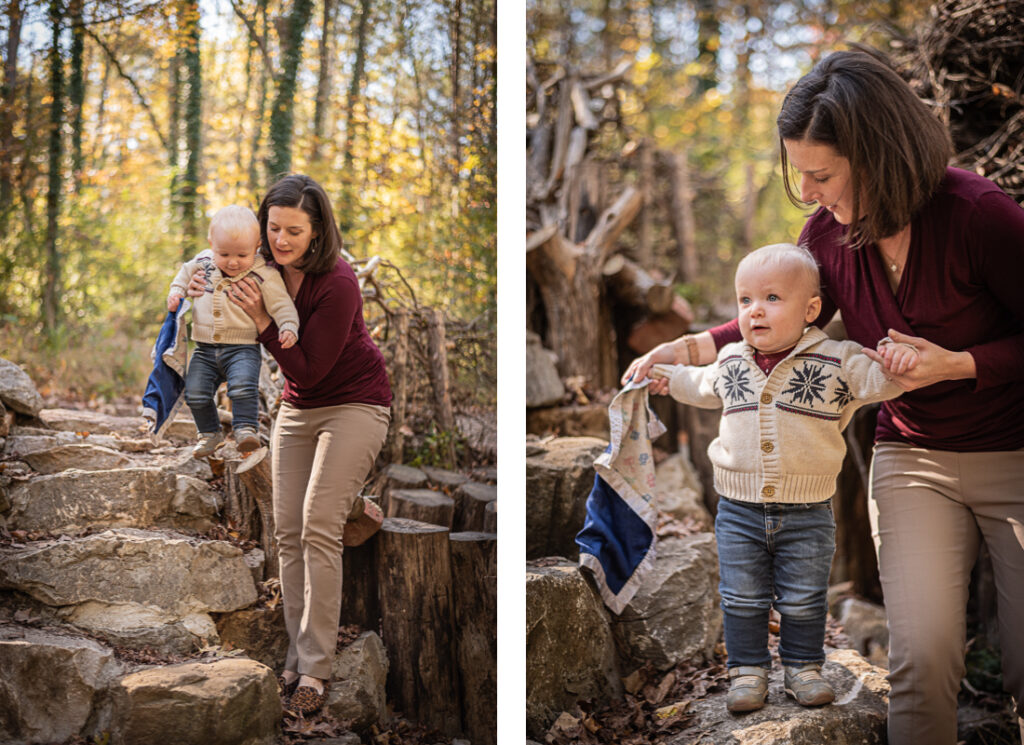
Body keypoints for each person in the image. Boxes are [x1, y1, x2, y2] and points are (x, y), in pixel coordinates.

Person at [625, 48, 1024, 744]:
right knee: (922, 657)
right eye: (798, 173)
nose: (808, 193)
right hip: (913, 459)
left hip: (1014, 452)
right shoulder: (827, 237)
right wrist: (686, 348)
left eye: (823, 174)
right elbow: (771, 323)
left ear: (881, 153)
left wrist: (959, 363)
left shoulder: (979, 215)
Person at [649, 242, 915, 713]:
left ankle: (803, 668)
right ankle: (748, 671)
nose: (755, 311)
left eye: (772, 298)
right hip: (737, 510)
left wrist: (899, 360)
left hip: (808, 512)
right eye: (745, 300)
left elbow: (882, 380)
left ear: (811, 309)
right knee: (741, 596)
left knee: (803, 597)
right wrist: (667, 375)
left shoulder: (838, 360)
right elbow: (699, 384)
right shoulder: (732, 357)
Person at [187, 174, 391, 717]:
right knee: (288, 528)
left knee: (319, 524)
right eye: (273, 229)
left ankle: (317, 669)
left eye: (293, 231)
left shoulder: (339, 283)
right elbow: (211, 279)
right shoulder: (262, 267)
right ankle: (296, 654)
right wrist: (188, 292)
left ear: (318, 229)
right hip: (299, 408)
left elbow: (306, 364)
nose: (280, 240)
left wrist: (258, 320)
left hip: (355, 404)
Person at [167, 204, 299, 457]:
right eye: (224, 254)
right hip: (204, 348)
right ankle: (209, 433)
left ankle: (245, 430)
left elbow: (282, 304)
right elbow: (183, 276)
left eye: (242, 255)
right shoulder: (203, 262)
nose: (233, 262)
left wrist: (288, 325)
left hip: (243, 347)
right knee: (194, 393)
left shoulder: (264, 274)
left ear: (258, 246)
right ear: (211, 243)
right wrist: (176, 292)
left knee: (242, 387)